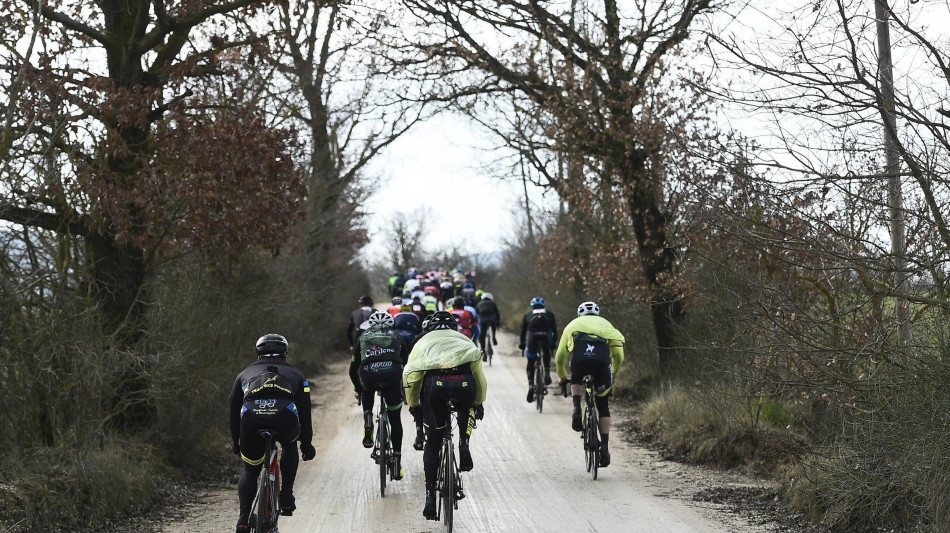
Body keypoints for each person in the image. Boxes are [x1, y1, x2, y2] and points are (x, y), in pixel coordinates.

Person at [402, 311, 487, 520]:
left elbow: (411, 376)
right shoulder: (465, 340)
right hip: (464, 383)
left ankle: (430, 496)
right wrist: (479, 401)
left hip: (435, 387)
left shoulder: (422, 342)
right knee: (467, 409)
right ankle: (464, 444)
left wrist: (414, 404)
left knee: (433, 442)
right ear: (454, 328)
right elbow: (479, 377)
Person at [230, 334, 315, 533]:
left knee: (250, 470)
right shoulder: (297, 375)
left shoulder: (244, 373)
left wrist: (236, 441)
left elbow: (233, 409)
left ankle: (243, 518)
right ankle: (286, 497)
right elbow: (304, 411)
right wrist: (307, 443)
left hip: (251, 417)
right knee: (289, 444)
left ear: (258, 356)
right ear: (285, 356)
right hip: (284, 415)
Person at [555, 301, 625, 468]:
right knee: (603, 405)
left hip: (580, 361)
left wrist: (563, 377)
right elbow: (619, 357)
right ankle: (605, 448)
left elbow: (560, 357)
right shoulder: (607, 325)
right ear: (597, 314)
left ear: (580, 314)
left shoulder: (573, 325)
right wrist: (612, 375)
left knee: (576, 375)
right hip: (602, 364)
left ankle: (577, 407)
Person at [350, 312, 409, 479]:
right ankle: (397, 461)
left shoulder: (363, 336)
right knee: (395, 419)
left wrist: (357, 387)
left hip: (369, 374)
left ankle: (368, 418)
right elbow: (408, 363)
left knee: (365, 387)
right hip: (392, 374)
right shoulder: (397, 336)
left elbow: (353, 368)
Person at [519, 297, 557, 402]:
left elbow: (523, 332)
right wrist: (553, 344)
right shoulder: (549, 314)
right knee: (546, 352)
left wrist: (522, 344)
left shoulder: (528, 314)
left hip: (532, 338)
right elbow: (554, 331)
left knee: (531, 361)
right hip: (546, 337)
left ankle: (531, 384)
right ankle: (547, 372)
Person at [476, 292, 500, 359]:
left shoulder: (479, 303)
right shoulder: (493, 303)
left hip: (483, 320)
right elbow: (497, 314)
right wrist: (498, 324)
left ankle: (483, 351)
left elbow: (476, 313)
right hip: (492, 319)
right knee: (493, 326)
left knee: (482, 336)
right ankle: (494, 338)